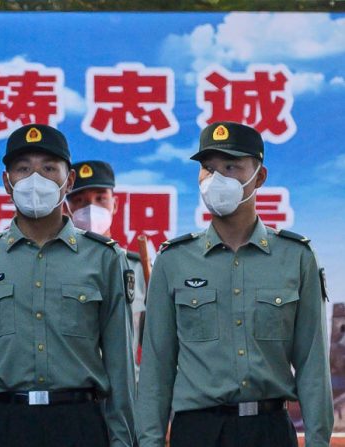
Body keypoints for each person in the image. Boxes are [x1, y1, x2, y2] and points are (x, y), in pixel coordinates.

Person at [136, 121, 333, 447]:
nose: (217, 179)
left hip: (269, 429)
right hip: (197, 431)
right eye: (208, 169)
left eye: (231, 167)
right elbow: (156, 369)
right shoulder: (174, 260)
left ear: (259, 176)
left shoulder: (296, 257)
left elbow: (313, 366)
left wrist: (318, 442)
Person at [0, 124, 136, 447]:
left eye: (48, 168)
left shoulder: (104, 258)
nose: (35, 180)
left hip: (81, 424)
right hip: (6, 423)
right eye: (23, 169)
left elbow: (121, 368)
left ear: (68, 180)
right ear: (7, 182)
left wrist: (125, 441)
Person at [64, 160, 146, 362]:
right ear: (66, 209)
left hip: (129, 388)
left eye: (100, 198)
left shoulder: (137, 268)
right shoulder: (54, 267)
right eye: (80, 200)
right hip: (74, 389)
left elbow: (157, 342)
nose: (90, 208)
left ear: (114, 204)